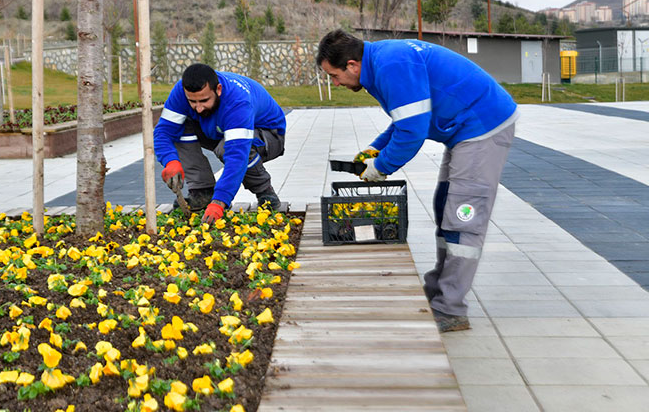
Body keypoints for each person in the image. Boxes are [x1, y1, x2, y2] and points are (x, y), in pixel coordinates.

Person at [316, 29, 518, 333]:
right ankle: (439, 290)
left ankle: (451, 309)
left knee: (463, 217)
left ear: (352, 65)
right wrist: (376, 148)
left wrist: (380, 167)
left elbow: (413, 131)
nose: (335, 83)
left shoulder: (391, 65)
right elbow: (404, 119)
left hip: (482, 127)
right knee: (445, 205)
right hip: (463, 131)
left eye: (334, 75)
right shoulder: (381, 62)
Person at [154, 63, 287, 224]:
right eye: (192, 102)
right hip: (220, 130)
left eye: (204, 100)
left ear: (218, 89)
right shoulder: (181, 92)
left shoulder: (237, 101)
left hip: (268, 135)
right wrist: (171, 161)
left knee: (227, 148)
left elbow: (237, 155)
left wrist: (220, 201)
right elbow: (163, 132)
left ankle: (265, 192)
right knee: (178, 128)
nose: (199, 108)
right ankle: (203, 192)